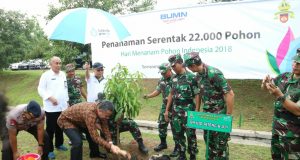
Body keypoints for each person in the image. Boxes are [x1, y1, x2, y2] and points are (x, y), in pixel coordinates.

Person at [183, 52, 234, 160]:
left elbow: (229, 94)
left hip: (219, 115)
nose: (188, 69)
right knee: (209, 142)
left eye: (188, 66)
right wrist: (197, 110)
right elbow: (200, 93)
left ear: (193, 65)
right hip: (207, 115)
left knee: (220, 145)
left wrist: (228, 115)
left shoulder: (214, 73)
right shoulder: (198, 76)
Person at [57, 100, 131, 160]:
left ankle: (95, 154)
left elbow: (105, 127)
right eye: (106, 116)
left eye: (108, 116)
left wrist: (110, 142)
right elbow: (95, 137)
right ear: (100, 110)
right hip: (66, 120)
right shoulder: (90, 113)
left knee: (91, 134)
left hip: (80, 121)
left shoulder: (103, 111)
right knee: (77, 142)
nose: (107, 118)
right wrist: (110, 147)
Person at [261, 48, 300, 160]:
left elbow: (298, 110)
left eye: (299, 63)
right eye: (294, 61)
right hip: (277, 132)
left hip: (293, 137)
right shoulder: (284, 77)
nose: (295, 65)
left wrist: (279, 95)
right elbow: (267, 87)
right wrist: (265, 83)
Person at [164, 54, 200, 160]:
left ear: (181, 63)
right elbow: (171, 93)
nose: (173, 68)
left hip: (188, 111)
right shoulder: (173, 78)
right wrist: (167, 110)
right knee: (178, 134)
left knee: (190, 135)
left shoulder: (191, 77)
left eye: (174, 66)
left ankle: (192, 155)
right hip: (175, 111)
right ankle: (182, 154)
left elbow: (197, 94)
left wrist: (196, 111)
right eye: (172, 67)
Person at [143, 63, 179, 157]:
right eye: (161, 73)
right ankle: (163, 143)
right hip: (165, 106)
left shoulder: (176, 79)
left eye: (164, 72)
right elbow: (158, 91)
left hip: (175, 106)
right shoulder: (162, 80)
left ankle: (177, 147)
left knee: (175, 128)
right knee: (162, 125)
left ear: (169, 70)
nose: (162, 74)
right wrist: (148, 96)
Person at [38, 56, 69, 159]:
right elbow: (40, 89)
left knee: (60, 127)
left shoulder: (63, 74)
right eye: (56, 63)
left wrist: (67, 101)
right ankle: (49, 149)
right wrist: (50, 98)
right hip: (51, 108)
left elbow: (65, 89)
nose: (59, 65)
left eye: (60, 63)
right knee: (50, 129)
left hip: (62, 107)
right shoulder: (45, 75)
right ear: (50, 64)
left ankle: (59, 144)